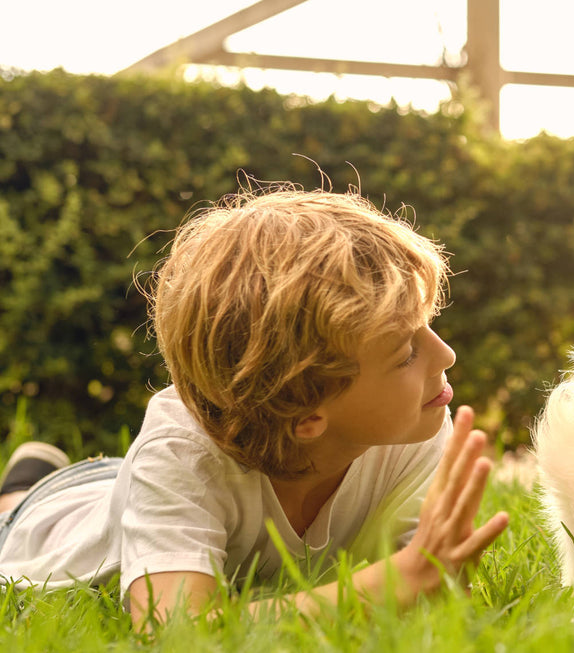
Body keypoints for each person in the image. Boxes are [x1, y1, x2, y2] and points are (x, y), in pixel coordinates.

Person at [0, 185, 509, 627]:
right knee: (20, 514)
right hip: (57, 518)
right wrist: (396, 580)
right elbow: (175, 632)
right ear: (307, 416)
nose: (447, 354)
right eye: (405, 355)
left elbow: (432, 596)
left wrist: (433, 577)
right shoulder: (178, 456)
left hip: (125, 485)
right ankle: (20, 490)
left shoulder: (414, 423)